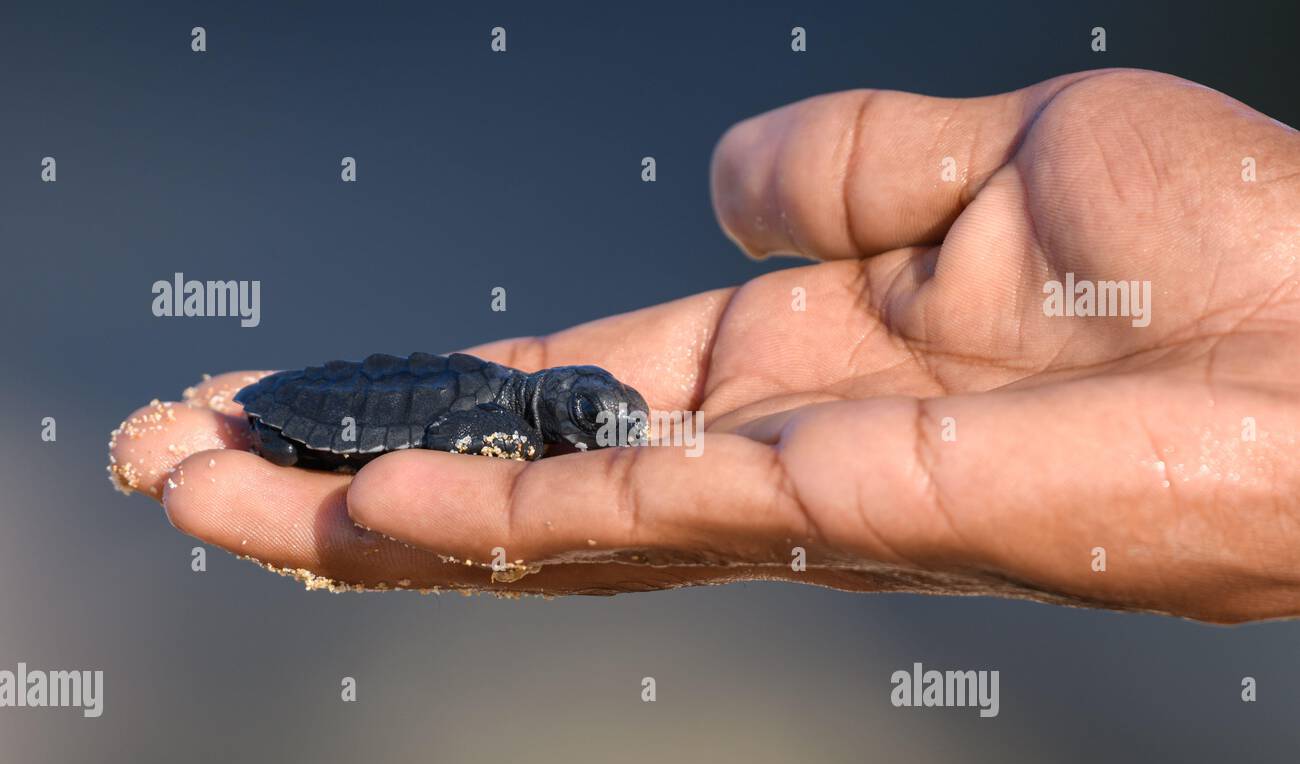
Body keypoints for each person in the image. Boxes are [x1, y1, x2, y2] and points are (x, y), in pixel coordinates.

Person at [108, 69, 1300, 622]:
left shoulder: (519, 405)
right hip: (310, 408)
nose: (611, 423)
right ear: (550, 416)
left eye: (611, 414)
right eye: (599, 419)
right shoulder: (491, 414)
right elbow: (431, 409)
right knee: (401, 433)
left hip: (378, 401)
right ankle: (264, 433)